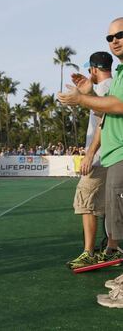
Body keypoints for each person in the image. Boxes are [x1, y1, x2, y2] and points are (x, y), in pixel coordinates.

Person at [57, 17, 123, 308]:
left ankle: (98, 251)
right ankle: (110, 253)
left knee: (101, 209)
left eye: (119, 35)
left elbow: (113, 111)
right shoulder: (117, 75)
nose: (114, 40)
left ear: (95, 69)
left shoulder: (114, 80)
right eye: (110, 37)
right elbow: (105, 116)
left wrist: (83, 99)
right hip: (110, 155)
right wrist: (88, 94)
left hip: (112, 155)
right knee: (114, 214)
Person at [65, 52, 112, 270]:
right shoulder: (115, 85)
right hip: (111, 157)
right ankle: (112, 247)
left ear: (94, 70)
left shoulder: (102, 89)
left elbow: (103, 124)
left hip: (101, 158)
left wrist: (90, 154)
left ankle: (89, 252)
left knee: (86, 204)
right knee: (111, 205)